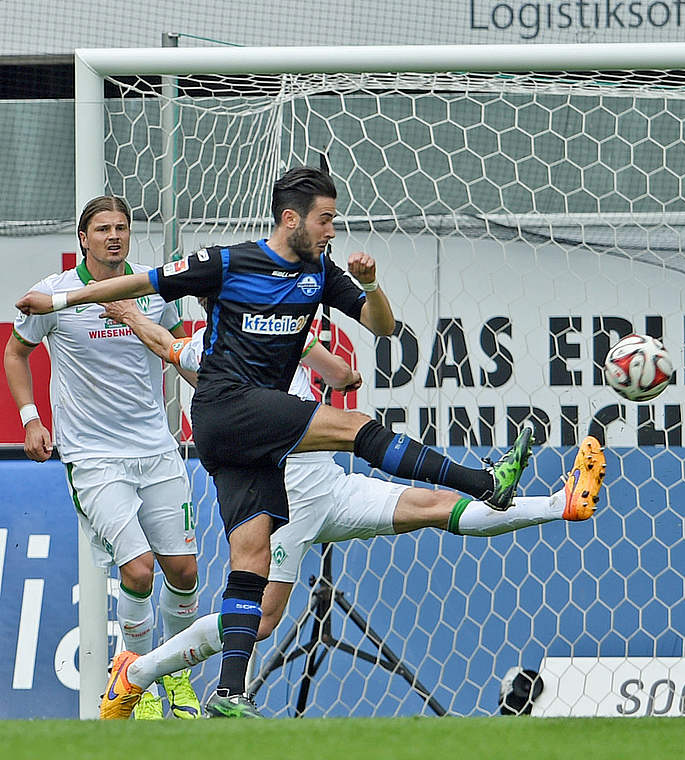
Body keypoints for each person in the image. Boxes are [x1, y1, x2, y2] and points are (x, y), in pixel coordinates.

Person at [17, 167, 535, 718]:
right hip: (225, 409)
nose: (333, 229)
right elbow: (140, 285)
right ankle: (484, 482)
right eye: (325, 219)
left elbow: (382, 328)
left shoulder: (320, 272)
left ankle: (230, 692)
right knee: (354, 427)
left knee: (251, 562)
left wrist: (372, 285)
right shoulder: (227, 262)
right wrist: (58, 301)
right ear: (292, 219)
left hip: (248, 438)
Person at [94, 301, 604, 718]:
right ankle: (135, 673)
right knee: (262, 620)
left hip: (331, 487)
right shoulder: (210, 357)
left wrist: (307, 334)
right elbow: (168, 346)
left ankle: (560, 504)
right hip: (279, 506)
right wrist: (134, 317)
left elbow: (345, 376)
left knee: (434, 505)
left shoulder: (276, 334)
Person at [3, 196, 202, 719]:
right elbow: (16, 352)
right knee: (137, 570)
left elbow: (182, 356)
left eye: (122, 228)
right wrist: (30, 418)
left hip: (157, 450)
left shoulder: (156, 290)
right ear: (83, 239)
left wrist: (208, 391)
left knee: (182, 571)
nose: (114, 236)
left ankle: (176, 678)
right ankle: (132, 683)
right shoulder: (55, 294)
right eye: (103, 229)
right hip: (93, 459)